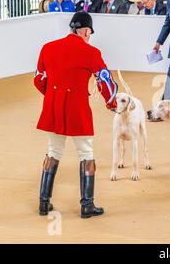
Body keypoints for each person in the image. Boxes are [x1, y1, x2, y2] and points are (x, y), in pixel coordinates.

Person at [34, 11, 118, 218]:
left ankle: (44, 203)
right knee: (86, 153)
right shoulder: (91, 52)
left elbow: (38, 79)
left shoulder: (47, 48)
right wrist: (111, 102)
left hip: (52, 107)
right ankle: (87, 206)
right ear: (86, 31)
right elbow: (104, 81)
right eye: (89, 32)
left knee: (53, 151)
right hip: (77, 108)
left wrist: (52, 97)